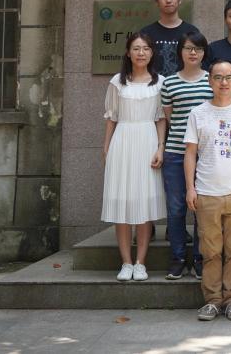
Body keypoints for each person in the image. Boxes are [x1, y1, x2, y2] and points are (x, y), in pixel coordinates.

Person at [183, 60, 231, 322]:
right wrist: (190, 188)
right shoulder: (198, 113)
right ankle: (212, 300)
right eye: (218, 77)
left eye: (229, 77)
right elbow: (190, 153)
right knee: (210, 251)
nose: (224, 82)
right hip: (206, 191)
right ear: (210, 80)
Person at [100, 32, 167, 283]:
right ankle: (126, 262)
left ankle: (140, 262)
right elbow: (111, 117)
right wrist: (106, 147)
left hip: (148, 141)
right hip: (123, 140)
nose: (141, 53)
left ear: (152, 53)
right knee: (123, 203)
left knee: (143, 203)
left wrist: (160, 147)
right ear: (128, 53)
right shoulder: (117, 82)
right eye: (136, 48)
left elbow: (161, 118)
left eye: (146, 48)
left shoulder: (160, 83)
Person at [159, 31, 213, 280]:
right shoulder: (169, 83)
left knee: (202, 209)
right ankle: (178, 258)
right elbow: (170, 118)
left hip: (206, 155)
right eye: (188, 48)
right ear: (180, 52)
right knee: (176, 208)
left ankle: (200, 258)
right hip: (176, 153)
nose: (193, 53)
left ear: (204, 53)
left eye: (198, 49)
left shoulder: (211, 80)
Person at [140, 0, 201, 77]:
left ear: (180, 0)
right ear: (156, 1)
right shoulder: (146, 33)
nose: (168, 0)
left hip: (183, 85)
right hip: (154, 85)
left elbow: (199, 63)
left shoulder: (192, 31)